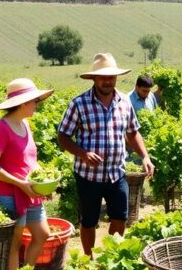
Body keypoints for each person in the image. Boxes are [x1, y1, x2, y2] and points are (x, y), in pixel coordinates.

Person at [57, 53, 154, 257]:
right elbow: (63, 136)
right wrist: (82, 154)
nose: (108, 81)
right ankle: (88, 258)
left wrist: (145, 156)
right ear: (94, 79)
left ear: (116, 78)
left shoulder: (124, 102)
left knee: (120, 218)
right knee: (89, 221)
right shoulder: (79, 104)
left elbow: (132, 132)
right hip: (88, 176)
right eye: (103, 77)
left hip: (116, 173)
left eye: (111, 77)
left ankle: (110, 256)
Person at [0, 78, 53, 270]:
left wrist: (43, 185)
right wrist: (20, 183)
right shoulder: (2, 128)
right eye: (35, 101)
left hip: (29, 191)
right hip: (7, 194)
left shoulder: (25, 124)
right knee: (14, 243)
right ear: (23, 103)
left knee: (42, 235)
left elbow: (30, 161)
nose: (36, 105)